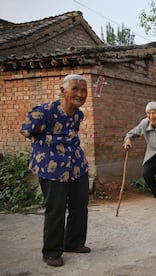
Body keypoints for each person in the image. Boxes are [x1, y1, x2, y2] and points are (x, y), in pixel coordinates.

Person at [20, 74, 91, 267]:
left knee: (80, 204)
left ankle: (74, 243)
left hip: (76, 165)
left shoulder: (78, 114)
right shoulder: (44, 112)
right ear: (63, 91)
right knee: (56, 209)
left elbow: (73, 132)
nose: (80, 94)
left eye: (83, 90)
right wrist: (48, 146)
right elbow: (26, 130)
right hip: (52, 168)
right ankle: (51, 252)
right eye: (75, 89)